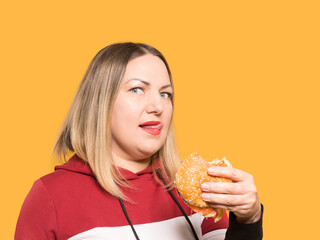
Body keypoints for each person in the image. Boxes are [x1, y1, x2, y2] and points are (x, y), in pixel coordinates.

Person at [15, 43, 263, 240]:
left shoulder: (198, 191)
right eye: (137, 89)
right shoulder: (51, 197)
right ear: (101, 103)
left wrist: (249, 220)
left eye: (165, 94)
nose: (158, 106)